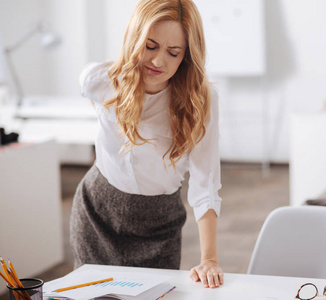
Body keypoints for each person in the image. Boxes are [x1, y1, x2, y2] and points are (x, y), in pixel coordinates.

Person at [70, 0, 224, 289]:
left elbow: (205, 185)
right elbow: (87, 87)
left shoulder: (201, 101)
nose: (158, 61)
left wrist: (210, 259)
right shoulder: (100, 80)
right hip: (97, 213)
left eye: (173, 52)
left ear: (186, 56)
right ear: (135, 38)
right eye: (150, 46)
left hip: (158, 227)